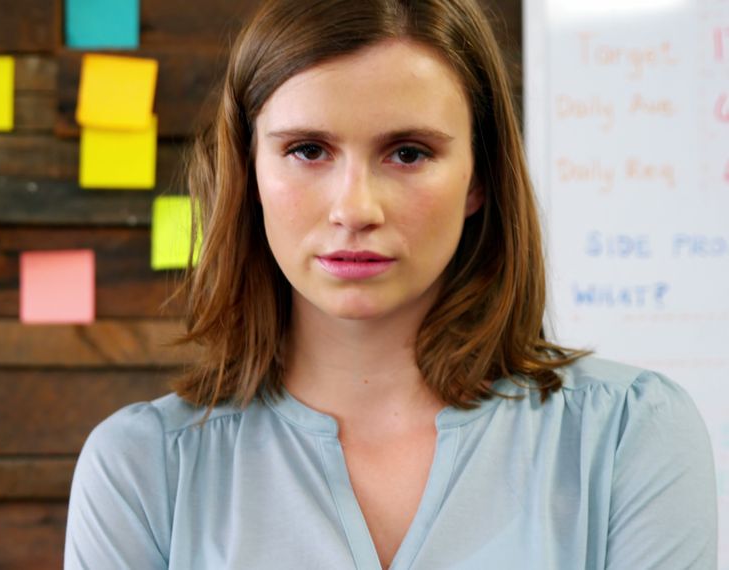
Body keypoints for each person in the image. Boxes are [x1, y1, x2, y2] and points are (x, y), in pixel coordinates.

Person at [63, 0, 718, 568]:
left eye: (408, 153)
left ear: (479, 177)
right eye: (307, 150)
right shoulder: (144, 470)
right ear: (248, 170)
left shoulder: (632, 435)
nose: (355, 208)